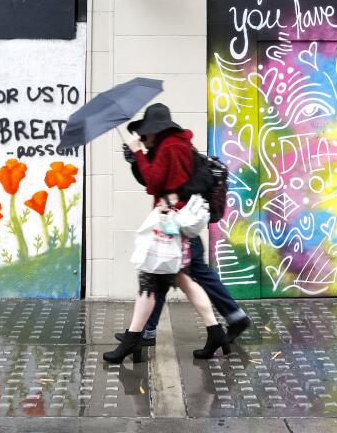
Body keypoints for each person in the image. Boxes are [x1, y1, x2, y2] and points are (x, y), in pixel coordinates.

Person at [102, 103, 242, 365]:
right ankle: (215, 334)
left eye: (145, 134)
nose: (143, 139)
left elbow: (156, 182)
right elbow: (153, 179)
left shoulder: (172, 147)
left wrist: (138, 154)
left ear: (157, 130)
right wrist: (137, 160)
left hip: (170, 224)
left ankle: (136, 339)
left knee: (152, 280)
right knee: (180, 281)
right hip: (170, 222)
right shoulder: (174, 145)